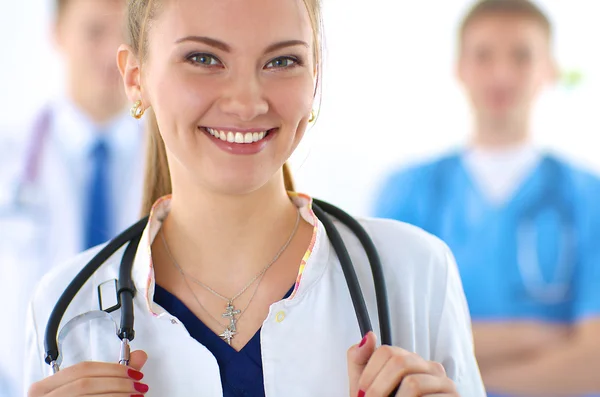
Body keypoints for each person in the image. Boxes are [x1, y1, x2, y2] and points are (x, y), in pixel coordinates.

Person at [22, 0, 486, 395]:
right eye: (203, 58)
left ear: (315, 78)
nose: (247, 102)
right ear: (135, 78)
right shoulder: (67, 312)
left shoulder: (416, 273)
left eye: (282, 61)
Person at [372, 0, 600, 396]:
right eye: (483, 55)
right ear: (459, 67)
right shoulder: (409, 193)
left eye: (521, 56)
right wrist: (541, 338)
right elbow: (388, 343)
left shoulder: (588, 196)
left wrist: (454, 377)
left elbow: (594, 362)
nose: (501, 74)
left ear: (550, 70)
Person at [0, 0, 145, 395]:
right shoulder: (8, 162)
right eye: (96, 31)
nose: (114, 54)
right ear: (58, 32)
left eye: (128, 36)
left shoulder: (178, 167)